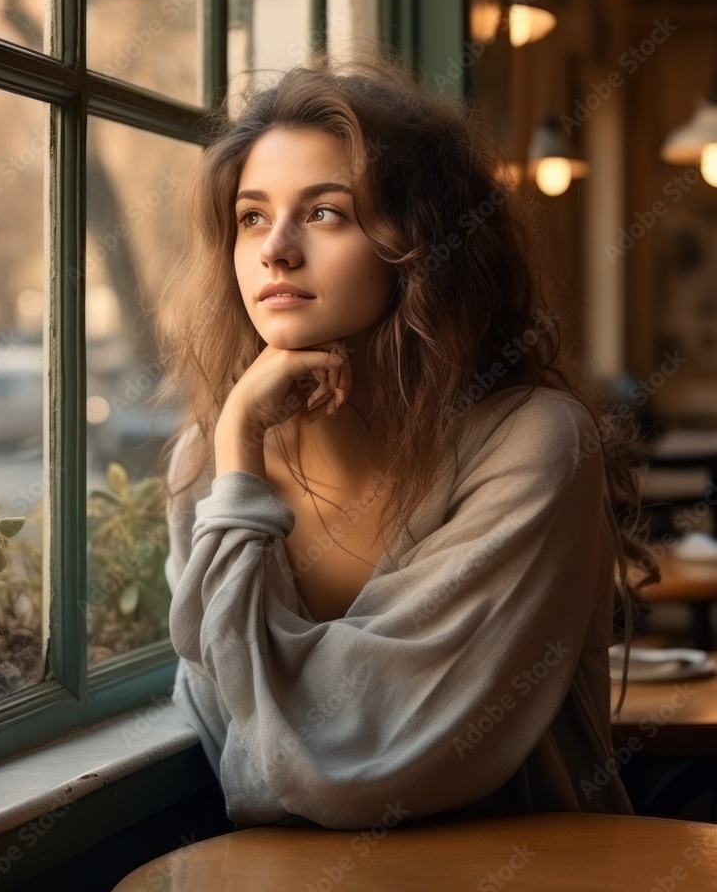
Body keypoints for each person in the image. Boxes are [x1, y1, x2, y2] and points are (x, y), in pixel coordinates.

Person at [153, 48, 655, 830]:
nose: (276, 249)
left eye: (326, 212)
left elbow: (368, 760)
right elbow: (233, 734)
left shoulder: (533, 443)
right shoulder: (214, 457)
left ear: (419, 245)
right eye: (252, 216)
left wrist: (279, 710)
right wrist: (239, 447)